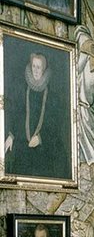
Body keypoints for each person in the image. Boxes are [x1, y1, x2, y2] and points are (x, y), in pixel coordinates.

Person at [5, 50, 69, 180]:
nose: (35, 70)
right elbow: (17, 115)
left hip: (44, 151)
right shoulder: (22, 91)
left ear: (43, 69)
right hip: (23, 148)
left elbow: (56, 124)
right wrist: (11, 135)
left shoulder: (53, 97)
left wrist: (40, 138)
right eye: (33, 66)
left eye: (38, 67)